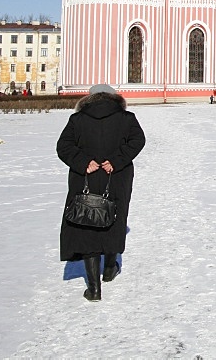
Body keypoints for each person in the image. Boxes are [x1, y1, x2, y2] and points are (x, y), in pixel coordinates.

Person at [57, 84, 146, 301]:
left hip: (84, 178)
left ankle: (94, 289)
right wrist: (116, 161)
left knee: (86, 224)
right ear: (113, 98)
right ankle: (109, 270)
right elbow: (138, 141)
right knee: (114, 221)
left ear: (90, 98)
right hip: (116, 178)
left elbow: (63, 146)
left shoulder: (77, 120)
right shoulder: (126, 118)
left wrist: (84, 162)